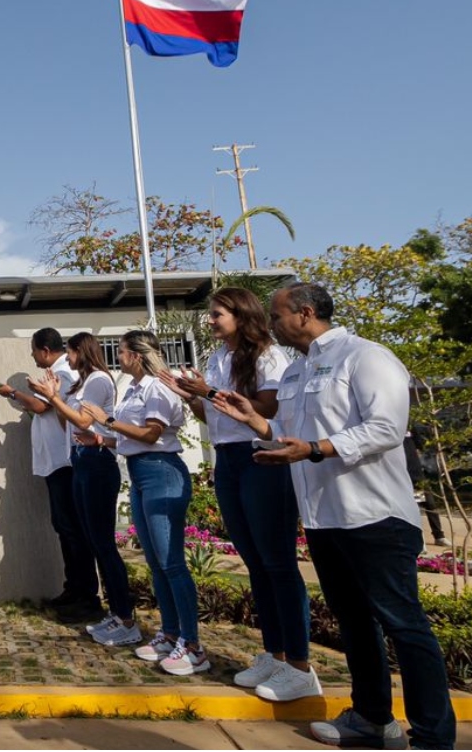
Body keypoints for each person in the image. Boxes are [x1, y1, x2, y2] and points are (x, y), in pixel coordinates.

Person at [213, 283, 457, 750]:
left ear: (305, 314)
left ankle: (432, 736)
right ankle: (371, 720)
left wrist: (317, 450)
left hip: (375, 515)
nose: (272, 321)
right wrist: (255, 422)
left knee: (403, 625)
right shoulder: (296, 372)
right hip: (325, 520)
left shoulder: (365, 357)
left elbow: (386, 428)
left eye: (278, 313)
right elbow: (288, 434)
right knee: (354, 623)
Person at [159, 286, 317, 701]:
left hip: (261, 457)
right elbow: (214, 417)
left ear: (240, 315)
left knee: (278, 563)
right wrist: (192, 396)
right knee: (255, 562)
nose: (210, 321)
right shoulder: (219, 357)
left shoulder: (267, 355)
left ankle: (300, 666)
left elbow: (268, 410)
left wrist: (207, 393)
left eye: (217, 314)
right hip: (227, 458)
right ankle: (274, 654)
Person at [80, 330, 201, 666]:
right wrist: (103, 441)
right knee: (156, 561)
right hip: (140, 472)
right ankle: (170, 633)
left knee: (172, 561)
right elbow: (134, 440)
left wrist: (107, 421)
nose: (118, 357)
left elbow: (151, 434)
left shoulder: (158, 386)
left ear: (136, 354)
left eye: (121, 351)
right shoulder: (134, 388)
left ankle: (192, 644)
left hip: (162, 472)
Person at [0, 328, 99, 622]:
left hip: (63, 462)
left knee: (72, 529)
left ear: (43, 349)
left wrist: (14, 393)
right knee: (63, 527)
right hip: (54, 462)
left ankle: (86, 595)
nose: (31, 355)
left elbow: (43, 407)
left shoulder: (64, 372)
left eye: (33, 349)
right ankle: (73, 588)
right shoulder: (58, 371)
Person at [28, 332, 130, 632]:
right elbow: (67, 424)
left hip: (97, 461)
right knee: (80, 532)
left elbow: (84, 422)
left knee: (97, 540)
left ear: (79, 352)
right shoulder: (80, 382)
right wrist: (58, 398)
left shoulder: (98, 379)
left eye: (70, 353)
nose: (67, 358)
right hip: (80, 459)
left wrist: (53, 397)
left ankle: (111, 608)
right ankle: (88, 596)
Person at [404, 429, 449, 547]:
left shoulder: (411, 433)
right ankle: (419, 538)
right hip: (404, 476)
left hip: (417, 475)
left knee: (430, 504)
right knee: (414, 507)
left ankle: (439, 536)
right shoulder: (394, 435)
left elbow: (421, 446)